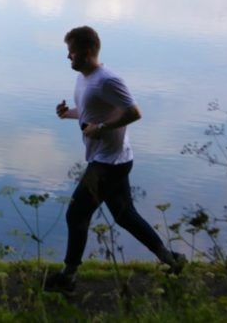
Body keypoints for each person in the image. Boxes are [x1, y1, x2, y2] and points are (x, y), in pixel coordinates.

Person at [46, 25, 184, 293]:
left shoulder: (107, 80)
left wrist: (100, 129)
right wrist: (68, 114)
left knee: (76, 214)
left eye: (71, 53)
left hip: (109, 163)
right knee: (125, 216)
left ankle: (68, 276)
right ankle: (171, 260)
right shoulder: (84, 78)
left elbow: (133, 112)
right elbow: (91, 112)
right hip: (111, 159)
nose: (68, 58)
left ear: (86, 53)